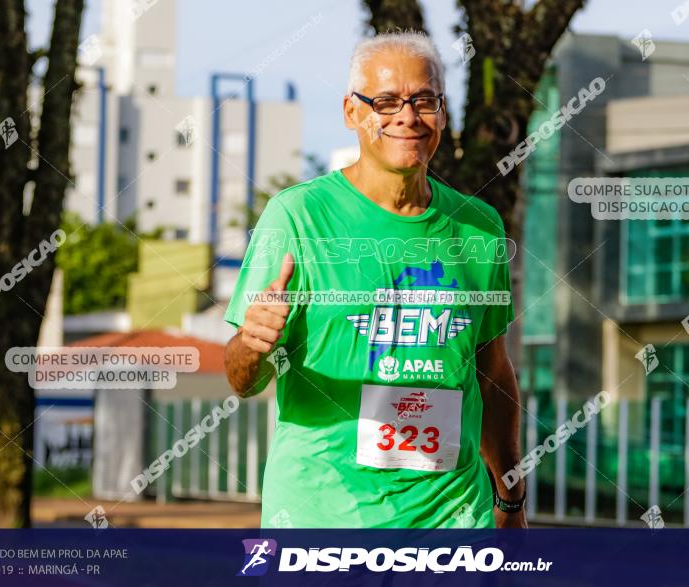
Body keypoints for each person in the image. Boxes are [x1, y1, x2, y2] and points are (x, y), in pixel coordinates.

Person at [223, 31, 525, 528]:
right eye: (385, 102)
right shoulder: (297, 217)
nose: (407, 116)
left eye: (423, 100)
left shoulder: (480, 227)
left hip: (451, 520)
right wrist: (251, 345)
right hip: (321, 521)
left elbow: (493, 374)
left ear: (443, 114)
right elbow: (241, 379)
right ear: (352, 112)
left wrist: (511, 502)